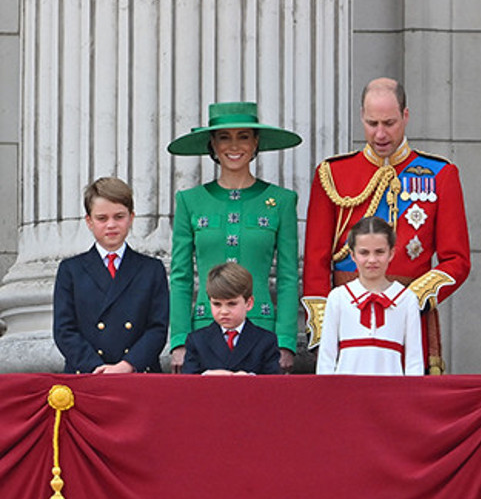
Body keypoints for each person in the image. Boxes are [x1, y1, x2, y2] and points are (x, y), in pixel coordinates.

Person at [302, 77, 471, 374]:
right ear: (361, 117)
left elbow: (456, 260)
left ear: (406, 116)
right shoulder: (333, 174)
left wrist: (408, 300)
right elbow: (316, 259)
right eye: (372, 123)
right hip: (347, 314)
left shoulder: (440, 174)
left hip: (410, 314)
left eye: (390, 123)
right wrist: (322, 321)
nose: (380, 134)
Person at [167, 102, 301, 374]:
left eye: (243, 137)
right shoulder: (189, 201)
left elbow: (288, 275)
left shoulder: (282, 201)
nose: (234, 146)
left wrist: (285, 340)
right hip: (204, 332)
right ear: (213, 145)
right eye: (224, 138)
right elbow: (180, 275)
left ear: (256, 143)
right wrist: (179, 339)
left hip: (262, 332)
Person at [53, 177, 169, 373]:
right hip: (88, 373)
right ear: (89, 221)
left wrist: (127, 365)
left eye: (119, 216)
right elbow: (64, 330)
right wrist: (96, 367)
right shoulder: (71, 270)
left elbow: (157, 328)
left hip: (138, 373)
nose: (111, 225)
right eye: (102, 218)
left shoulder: (152, 269)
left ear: (131, 218)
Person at [316, 217, 423, 375]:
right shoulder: (338, 297)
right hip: (346, 394)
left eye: (379, 252)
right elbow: (326, 358)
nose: (372, 260)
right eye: (364, 253)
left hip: (392, 394)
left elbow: (414, 361)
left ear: (391, 253)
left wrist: (411, 397)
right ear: (352, 255)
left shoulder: (407, 299)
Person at [181, 262, 281, 375]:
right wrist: (205, 377)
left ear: (249, 303)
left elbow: (273, 384)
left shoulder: (266, 340)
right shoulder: (197, 340)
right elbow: (188, 384)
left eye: (232, 304)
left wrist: (252, 379)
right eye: (217, 304)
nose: (224, 311)